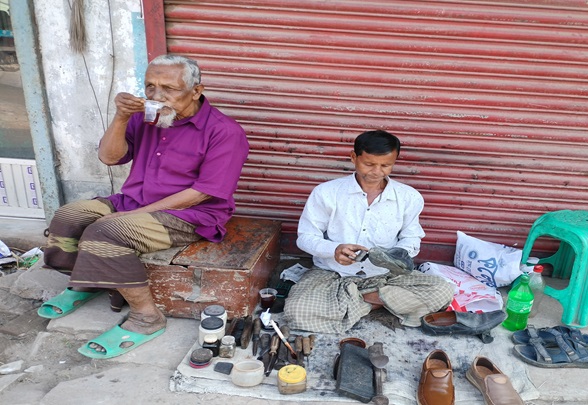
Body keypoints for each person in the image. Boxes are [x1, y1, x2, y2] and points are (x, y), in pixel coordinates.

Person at [39, 54, 249, 359]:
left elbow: (202, 194)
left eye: (169, 88)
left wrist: (133, 215)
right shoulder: (148, 117)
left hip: (189, 215)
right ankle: (87, 281)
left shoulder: (224, 132)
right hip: (134, 201)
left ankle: (147, 317)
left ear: (196, 90)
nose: (156, 95)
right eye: (150, 87)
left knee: (105, 232)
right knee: (68, 216)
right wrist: (121, 116)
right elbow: (109, 158)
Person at [284, 130, 453, 333]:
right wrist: (334, 249)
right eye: (369, 164)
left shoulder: (409, 197)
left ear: (395, 161)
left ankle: (356, 302)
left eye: (385, 165)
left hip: (386, 276)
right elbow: (305, 237)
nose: (377, 172)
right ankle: (382, 303)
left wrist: (394, 256)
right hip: (333, 274)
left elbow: (411, 237)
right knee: (296, 311)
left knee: (443, 291)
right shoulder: (326, 193)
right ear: (354, 157)